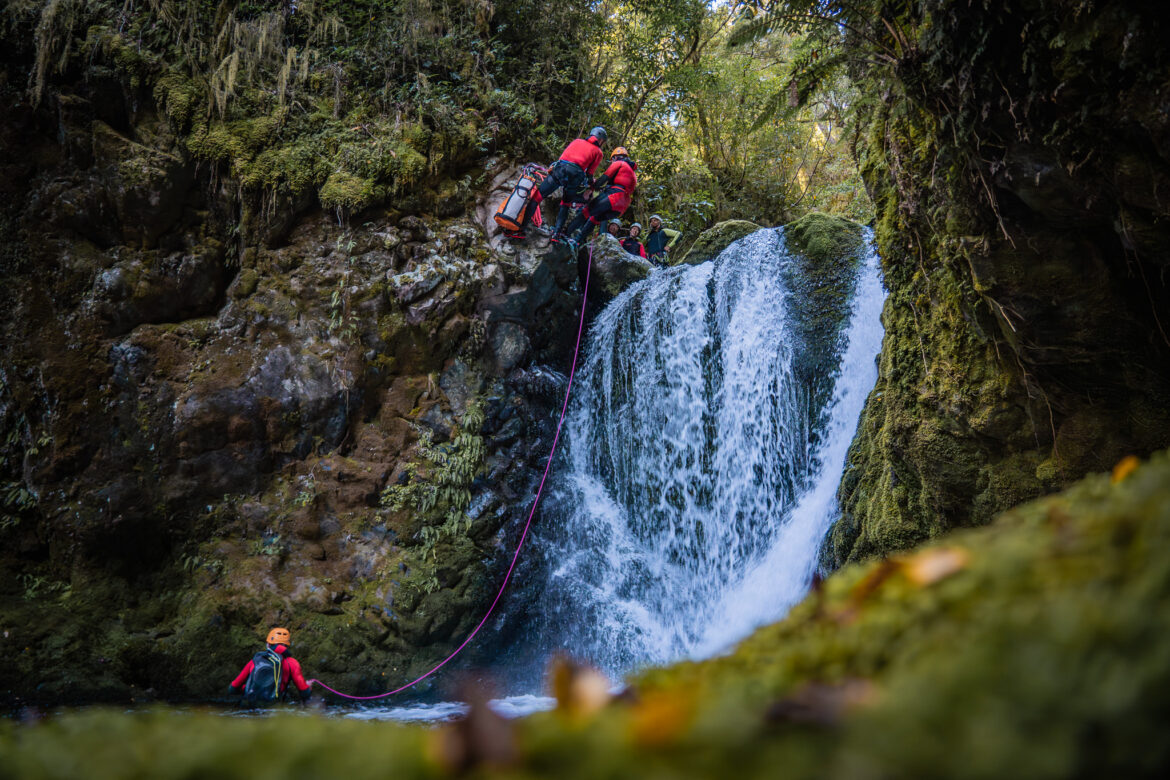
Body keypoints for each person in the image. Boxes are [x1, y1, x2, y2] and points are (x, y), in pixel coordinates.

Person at [529, 126, 607, 240]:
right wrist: (591, 185)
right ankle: (556, 234)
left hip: (560, 169)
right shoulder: (598, 152)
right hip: (575, 175)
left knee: (537, 197)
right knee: (565, 204)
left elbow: (563, 157)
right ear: (600, 140)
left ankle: (520, 226)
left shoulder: (577, 141)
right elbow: (590, 173)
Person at [562, 147, 638, 248]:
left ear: (615, 158)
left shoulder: (619, 164)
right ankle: (577, 241)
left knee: (586, 211)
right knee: (594, 218)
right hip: (622, 206)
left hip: (614, 196)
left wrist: (592, 187)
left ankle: (564, 234)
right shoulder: (632, 172)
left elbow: (604, 178)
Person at [228, 627, 312, 705]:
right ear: (286, 645)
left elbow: (232, 689)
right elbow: (304, 692)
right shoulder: (292, 663)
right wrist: (309, 686)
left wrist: (250, 689)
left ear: (268, 644)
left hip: (252, 706)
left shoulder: (255, 661)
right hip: (275, 706)